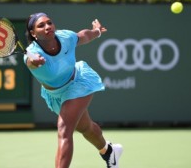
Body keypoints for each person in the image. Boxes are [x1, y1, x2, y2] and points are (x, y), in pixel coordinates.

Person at [24, 12, 123, 168]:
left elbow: (83, 35)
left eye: (49, 22)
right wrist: (33, 62)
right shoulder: (32, 53)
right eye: (41, 25)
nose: (48, 27)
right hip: (56, 94)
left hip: (78, 82)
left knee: (64, 130)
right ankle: (108, 151)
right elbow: (30, 62)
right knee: (86, 128)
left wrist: (96, 32)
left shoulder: (65, 37)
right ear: (33, 33)